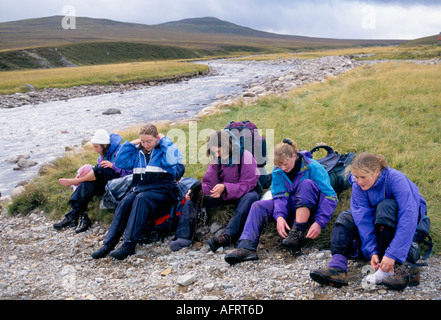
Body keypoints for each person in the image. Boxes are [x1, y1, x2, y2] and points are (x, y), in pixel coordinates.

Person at [310, 153, 427, 290]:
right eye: (356, 177)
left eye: (363, 177)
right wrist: (372, 251)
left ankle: (390, 266)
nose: (359, 181)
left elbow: (409, 217)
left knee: (385, 207)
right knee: (345, 217)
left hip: (400, 220)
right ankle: (338, 268)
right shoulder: (358, 184)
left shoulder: (396, 180)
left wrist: (392, 254)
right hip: (377, 221)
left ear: (377, 172)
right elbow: (362, 219)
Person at [225, 138, 338, 265]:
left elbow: (330, 197)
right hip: (291, 205)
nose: (283, 168)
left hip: (312, 206)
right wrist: (279, 216)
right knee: (258, 206)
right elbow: (279, 196)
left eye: (285, 163)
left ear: (294, 156)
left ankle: (296, 234)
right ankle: (246, 247)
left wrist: (319, 222)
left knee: (306, 184)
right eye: (279, 165)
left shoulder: (312, 167)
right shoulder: (278, 171)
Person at [91, 124, 184, 260]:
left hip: (164, 191)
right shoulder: (138, 154)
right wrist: (133, 143)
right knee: (125, 201)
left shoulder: (163, 151)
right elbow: (121, 162)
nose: (146, 145)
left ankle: (129, 245)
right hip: (142, 189)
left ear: (156, 138)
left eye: (149, 141)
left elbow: (174, 158)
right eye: (143, 141)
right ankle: (108, 244)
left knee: (141, 198)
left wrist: (164, 140)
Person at [169, 130, 260, 252]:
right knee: (193, 199)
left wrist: (226, 187)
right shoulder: (217, 158)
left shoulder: (245, 156)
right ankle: (183, 237)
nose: (217, 154)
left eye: (218, 150)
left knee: (251, 197)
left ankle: (228, 236)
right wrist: (195, 191)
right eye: (214, 151)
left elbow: (249, 183)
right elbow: (208, 182)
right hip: (224, 193)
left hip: (245, 192)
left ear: (228, 145)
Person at [53, 129, 131, 233]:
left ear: (104, 145)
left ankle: (75, 182)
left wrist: (113, 166)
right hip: (108, 186)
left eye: (96, 147)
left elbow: (130, 172)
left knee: (100, 169)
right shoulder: (102, 156)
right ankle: (75, 215)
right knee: (88, 183)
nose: (94, 149)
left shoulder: (121, 151)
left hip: (121, 185)